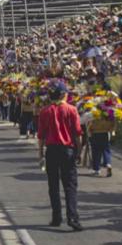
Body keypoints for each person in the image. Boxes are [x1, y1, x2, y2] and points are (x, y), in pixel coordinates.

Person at [37, 81, 83, 230]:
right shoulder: (71, 110)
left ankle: (56, 217)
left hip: (51, 150)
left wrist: (40, 154)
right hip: (67, 150)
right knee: (70, 185)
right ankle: (73, 218)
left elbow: (41, 136)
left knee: (53, 185)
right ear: (63, 94)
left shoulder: (45, 111)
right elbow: (77, 134)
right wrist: (79, 151)